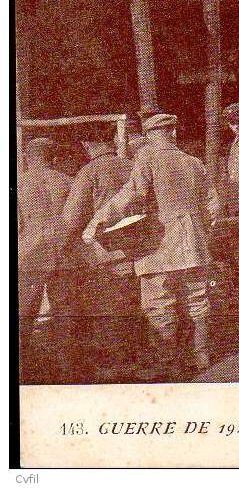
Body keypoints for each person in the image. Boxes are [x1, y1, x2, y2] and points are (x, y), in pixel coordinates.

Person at [84, 114, 222, 380]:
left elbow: (132, 194)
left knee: (159, 304)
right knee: (197, 300)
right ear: (173, 133)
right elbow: (212, 205)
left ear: (149, 136)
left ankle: (169, 363)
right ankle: (201, 355)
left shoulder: (148, 159)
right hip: (194, 247)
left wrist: (98, 221)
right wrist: (200, 233)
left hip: (158, 248)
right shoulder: (194, 162)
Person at [60, 121, 146, 380]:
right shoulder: (131, 166)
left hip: (106, 251)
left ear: (87, 145)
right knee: (137, 304)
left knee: (109, 307)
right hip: (140, 248)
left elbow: (72, 219)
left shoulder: (89, 172)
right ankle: (140, 357)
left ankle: (118, 367)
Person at [18, 137, 75, 378]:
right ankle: (66, 367)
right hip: (63, 253)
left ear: (27, 158)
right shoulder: (67, 181)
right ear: (53, 158)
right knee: (64, 311)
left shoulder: (17, 183)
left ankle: (20, 366)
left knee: (23, 312)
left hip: (30, 253)